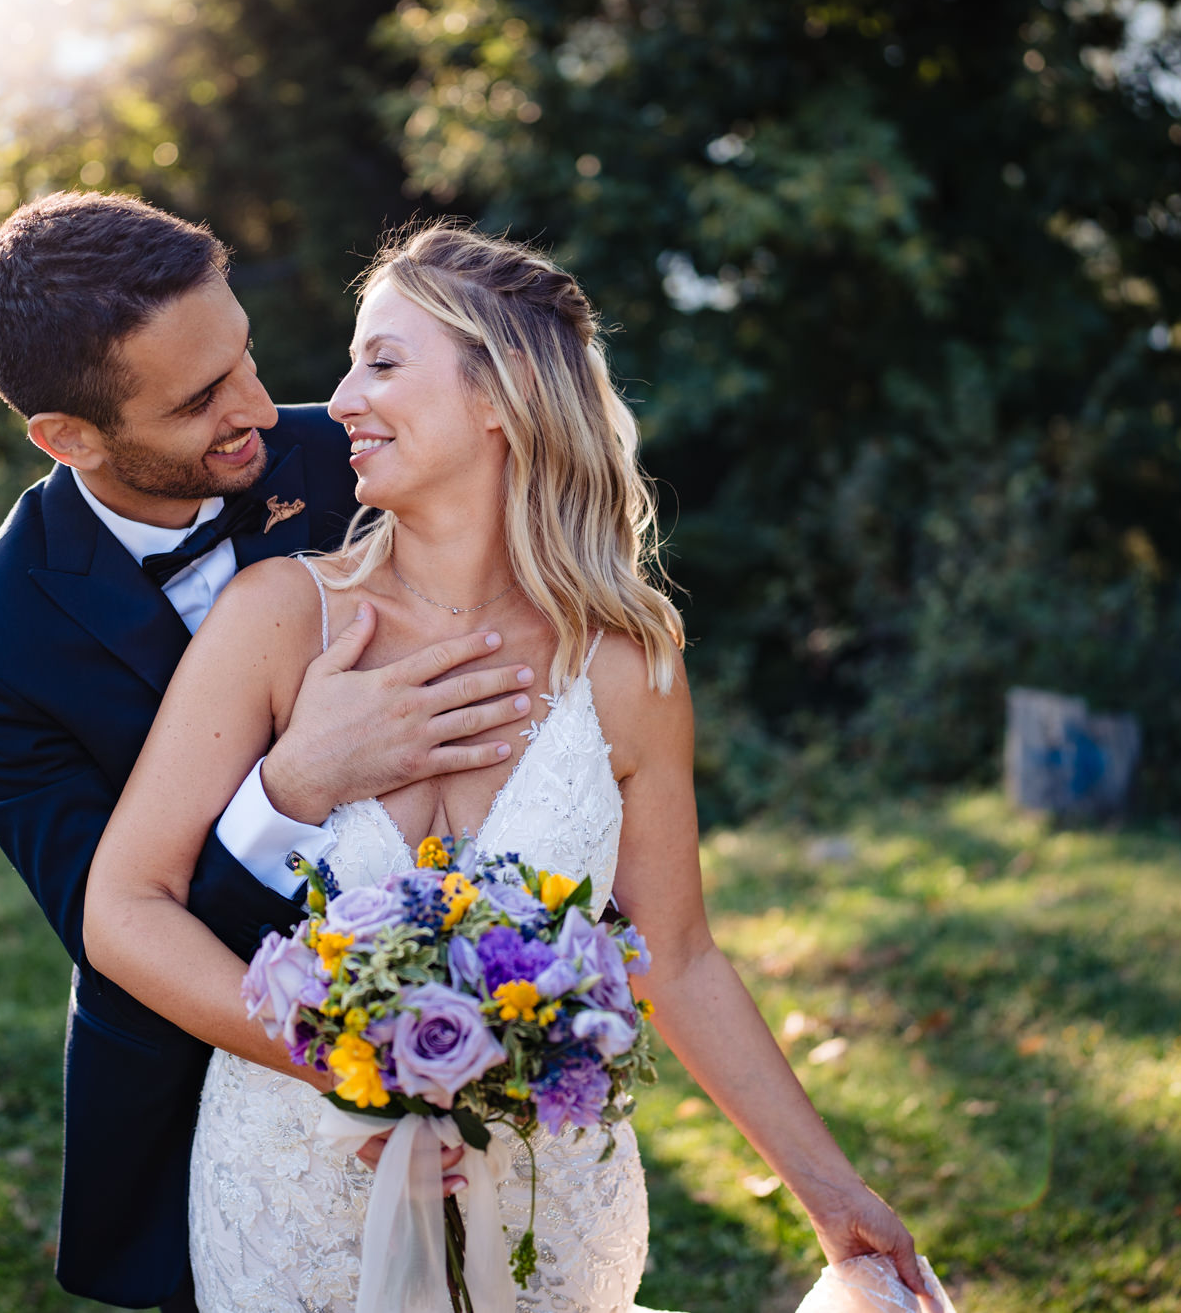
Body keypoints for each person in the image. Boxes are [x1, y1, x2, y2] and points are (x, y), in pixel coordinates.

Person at [83, 223, 938, 1312]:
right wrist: (353, 1065)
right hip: (298, 1190)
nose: (338, 401)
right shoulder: (278, 620)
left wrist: (830, 1189)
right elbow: (124, 908)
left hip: (547, 1201)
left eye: (382, 362)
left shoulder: (626, 662)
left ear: (503, 393)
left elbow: (676, 957)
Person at [0, 193, 533, 1311]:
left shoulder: (358, 455)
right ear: (68, 438)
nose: (257, 404)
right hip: (208, 1080)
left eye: (242, 355)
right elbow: (113, 922)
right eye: (200, 399)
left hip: (468, 1027)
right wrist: (290, 787)